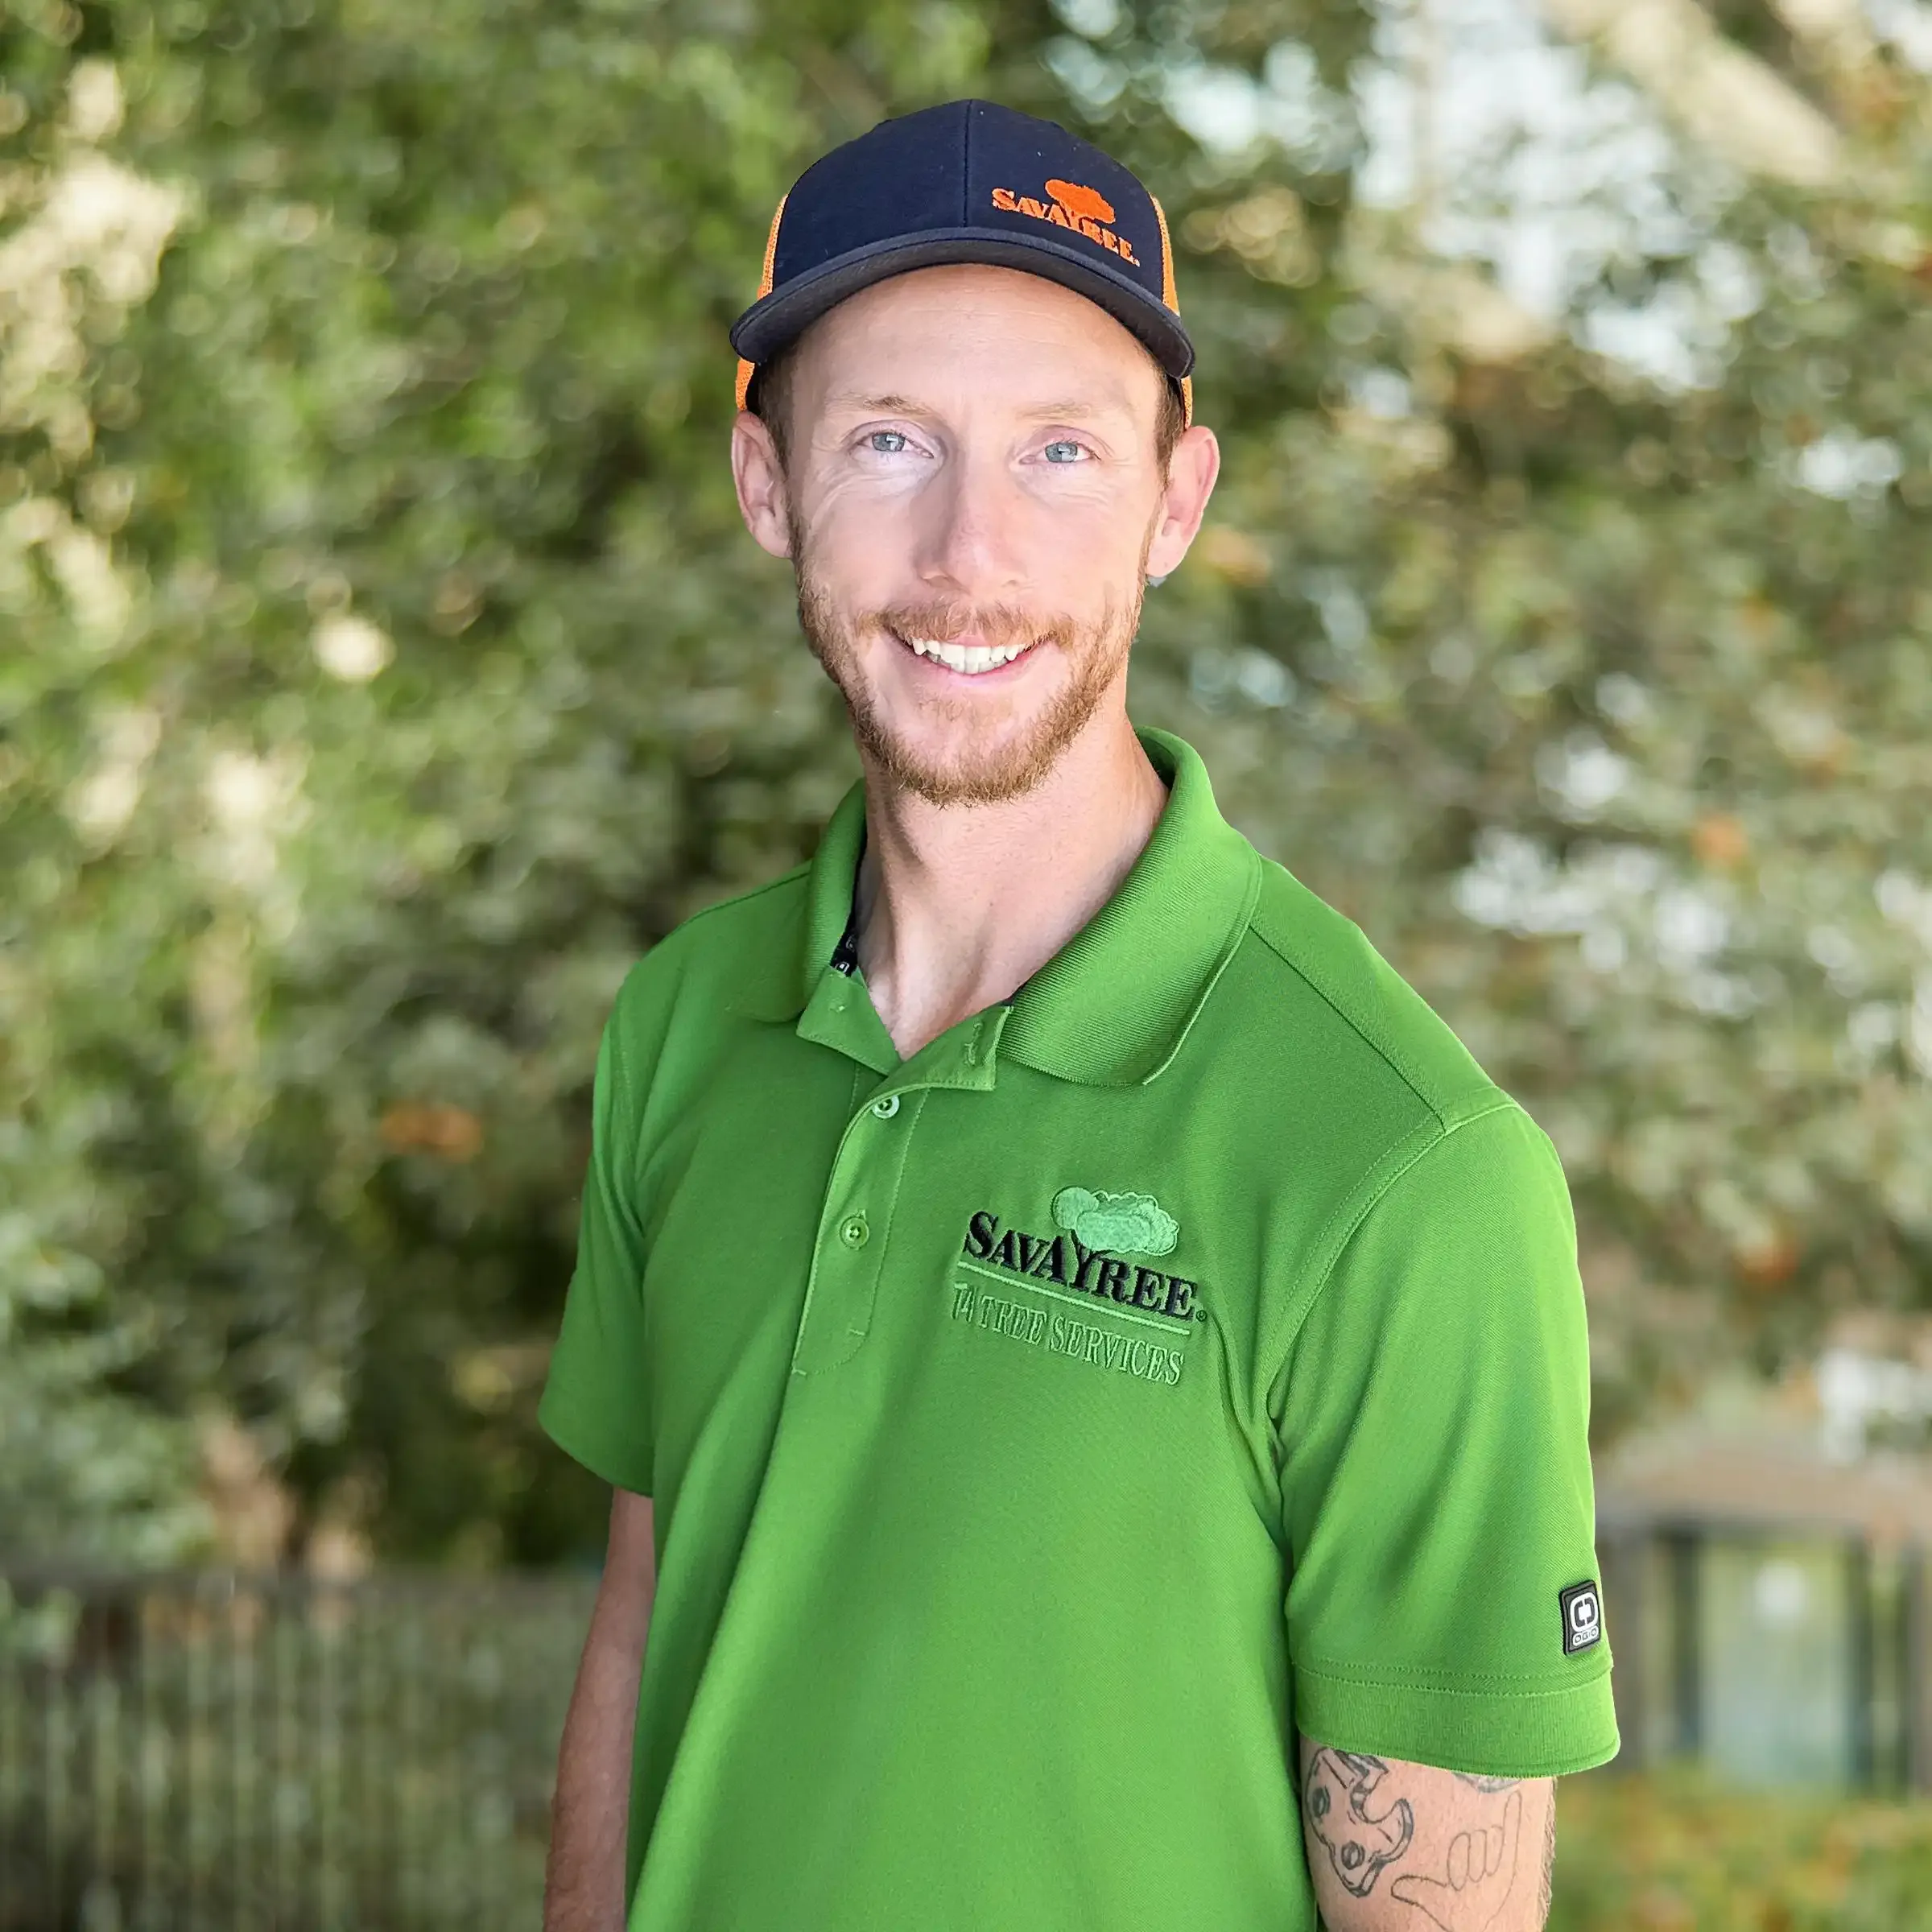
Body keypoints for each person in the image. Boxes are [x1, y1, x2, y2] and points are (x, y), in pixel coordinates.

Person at [537, 98, 1616, 1932]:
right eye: (890, 441)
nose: (971, 554)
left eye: (1060, 451)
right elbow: (645, 1637)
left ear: (1174, 504)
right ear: (767, 485)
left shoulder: (1405, 1168)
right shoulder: (684, 1022)